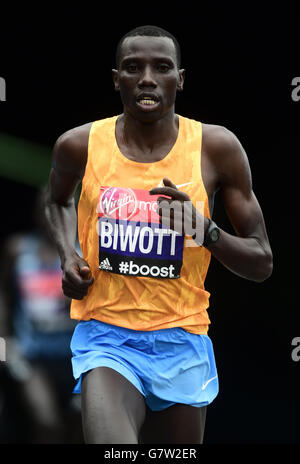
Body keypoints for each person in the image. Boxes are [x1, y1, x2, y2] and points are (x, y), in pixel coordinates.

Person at [44, 25, 273, 444]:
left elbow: (261, 262)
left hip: (182, 337)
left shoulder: (215, 148)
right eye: (133, 67)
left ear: (180, 79)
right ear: (117, 79)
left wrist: (204, 230)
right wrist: (68, 253)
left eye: (161, 67)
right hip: (106, 335)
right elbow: (56, 199)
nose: (147, 77)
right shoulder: (79, 144)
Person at [0, 191, 82, 443]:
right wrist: (4, 347)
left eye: (61, 208)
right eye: (49, 208)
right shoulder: (18, 249)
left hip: (79, 358)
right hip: (32, 357)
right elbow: (3, 297)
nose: (53, 216)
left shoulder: (86, 251)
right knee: (47, 423)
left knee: (81, 426)